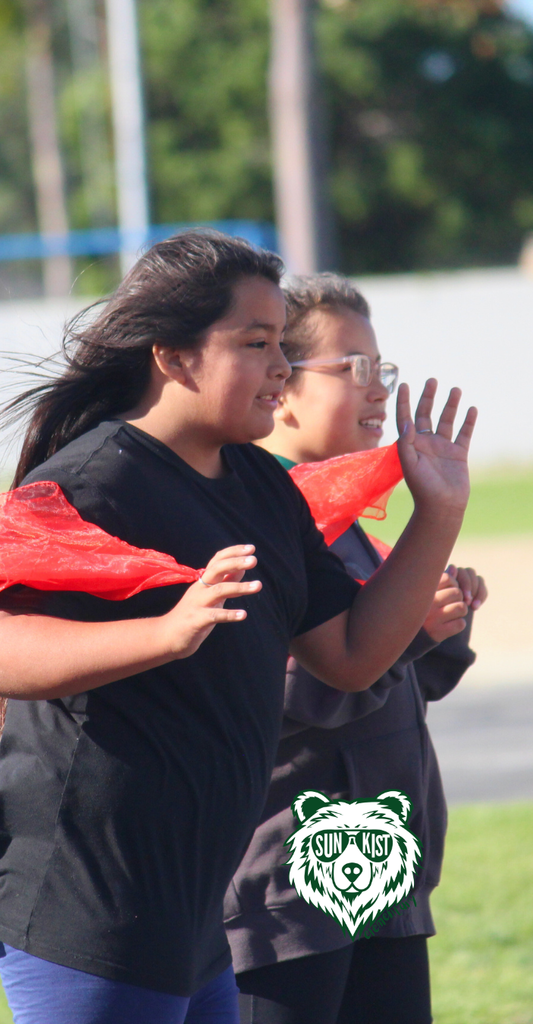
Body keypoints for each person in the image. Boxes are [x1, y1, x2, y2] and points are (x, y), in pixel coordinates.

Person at [0, 231, 477, 1024]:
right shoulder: (96, 481)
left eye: (281, 345)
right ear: (174, 358)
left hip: (192, 909)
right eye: (256, 344)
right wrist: (165, 632)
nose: (280, 367)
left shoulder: (260, 483)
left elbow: (351, 657)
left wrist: (437, 511)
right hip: (85, 896)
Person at [225, 274, 486, 1024]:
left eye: (382, 368)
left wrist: (436, 623)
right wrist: (404, 637)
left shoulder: (343, 519)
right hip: (290, 889)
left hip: (382, 875)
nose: (378, 389)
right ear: (282, 386)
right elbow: (270, 695)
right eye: (352, 368)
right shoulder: (254, 519)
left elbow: (395, 682)